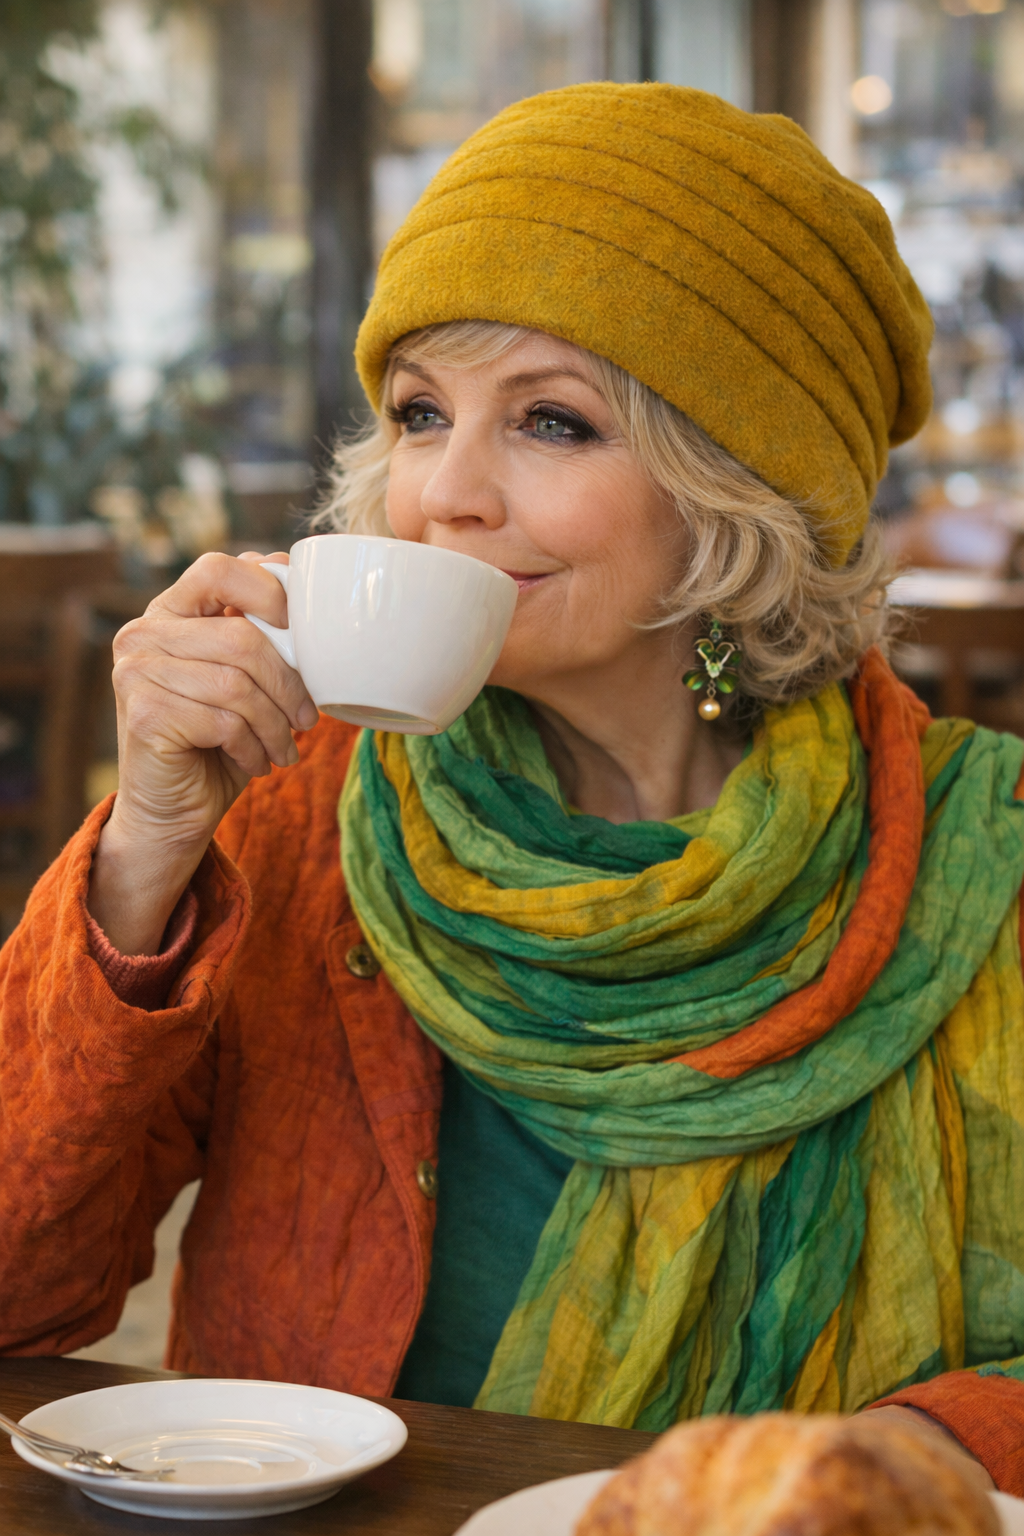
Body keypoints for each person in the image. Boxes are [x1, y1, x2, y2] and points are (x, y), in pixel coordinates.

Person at [1, 83, 1022, 1493]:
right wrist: (148, 852)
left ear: (735, 492)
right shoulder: (296, 820)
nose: (445, 495)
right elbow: (17, 1299)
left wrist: (907, 1456)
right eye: (421, 412)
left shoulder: (987, 856)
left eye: (551, 423)